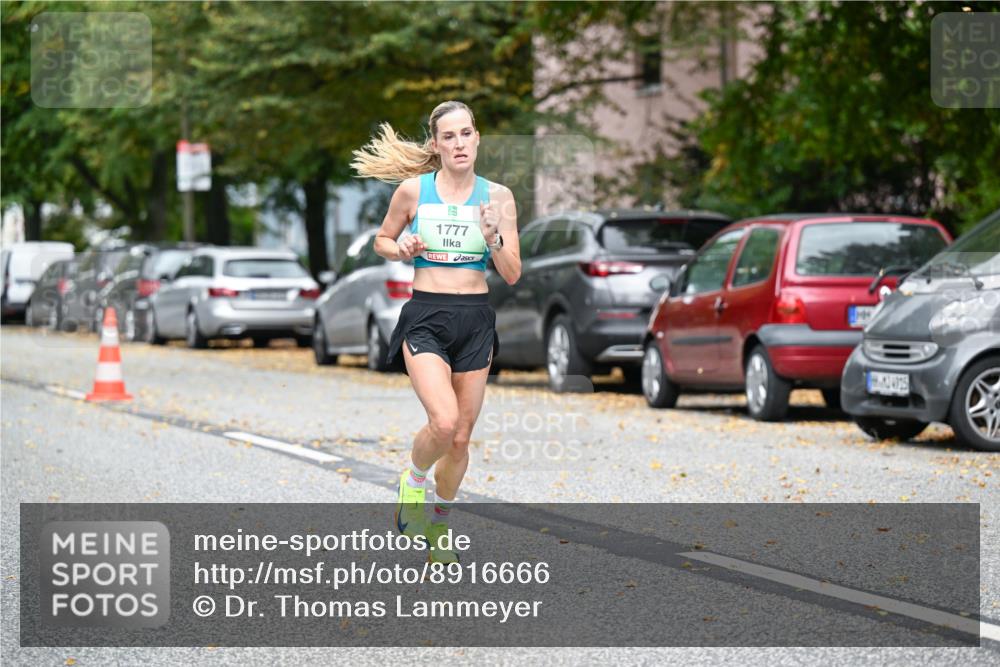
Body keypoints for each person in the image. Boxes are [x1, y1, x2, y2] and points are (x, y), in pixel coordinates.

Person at [351, 101, 521, 563]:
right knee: (443, 422)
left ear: (477, 138)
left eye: (466, 134)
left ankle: (438, 528)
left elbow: (512, 273)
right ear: (436, 144)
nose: (459, 143)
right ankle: (412, 481)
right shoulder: (413, 191)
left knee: (461, 438)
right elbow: (382, 240)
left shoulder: (499, 197)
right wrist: (401, 247)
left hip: (475, 320)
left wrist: (493, 237)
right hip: (426, 316)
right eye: (449, 136)